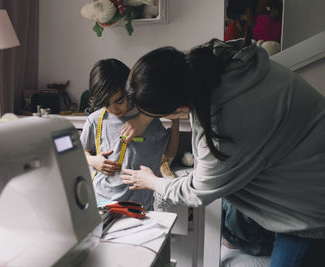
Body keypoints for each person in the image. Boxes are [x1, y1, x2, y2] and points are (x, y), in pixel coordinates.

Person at [119, 37, 325, 266]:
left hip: (311, 214)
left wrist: (152, 181)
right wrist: (145, 115)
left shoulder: (226, 126)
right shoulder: (222, 60)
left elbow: (196, 191)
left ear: (178, 109)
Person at [80, 58, 179, 210]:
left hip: (140, 205)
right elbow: (80, 152)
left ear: (129, 90)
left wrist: (175, 122)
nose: (114, 109)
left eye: (118, 101)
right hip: (102, 201)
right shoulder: (96, 120)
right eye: (106, 104)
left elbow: (169, 153)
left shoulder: (148, 119)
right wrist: (94, 161)